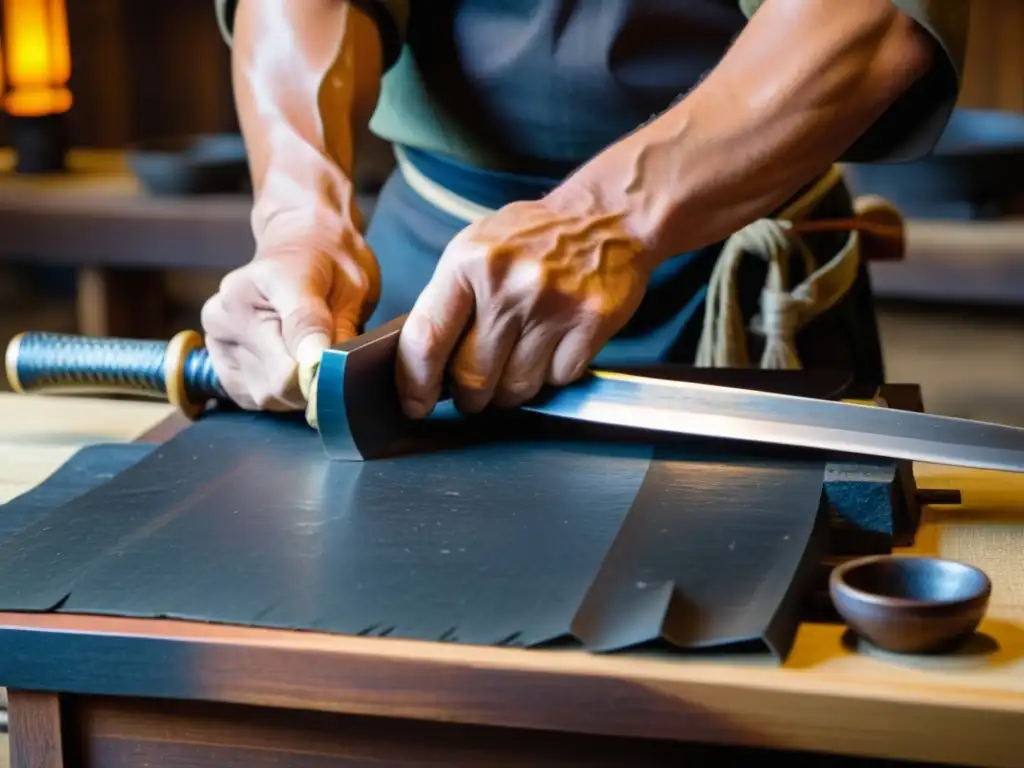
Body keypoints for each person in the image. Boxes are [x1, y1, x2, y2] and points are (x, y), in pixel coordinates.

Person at [203, 0, 967, 419]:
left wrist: (608, 218)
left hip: (733, 277)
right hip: (424, 290)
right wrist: (299, 211)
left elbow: (874, 15)